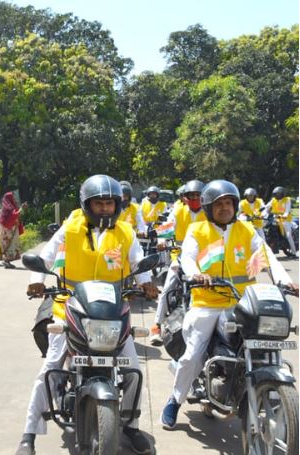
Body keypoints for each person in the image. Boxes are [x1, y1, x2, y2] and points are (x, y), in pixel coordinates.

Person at [16, 175, 157, 455]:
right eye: (99, 204)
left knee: (133, 371)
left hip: (114, 312)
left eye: (109, 203)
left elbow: (139, 262)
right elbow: (46, 255)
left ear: (117, 205)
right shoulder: (71, 227)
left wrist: (147, 282)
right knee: (51, 369)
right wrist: (37, 279)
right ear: (87, 205)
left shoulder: (126, 233)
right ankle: (28, 434)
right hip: (70, 308)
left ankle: (131, 425)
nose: (105, 209)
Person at [161, 180, 296, 429]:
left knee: (266, 339)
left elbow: (266, 256)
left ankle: (270, 388)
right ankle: (175, 400)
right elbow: (188, 258)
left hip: (242, 302)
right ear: (209, 208)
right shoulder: (198, 230)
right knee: (192, 356)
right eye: (219, 204)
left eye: (229, 203)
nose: (225, 208)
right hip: (206, 302)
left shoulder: (246, 230)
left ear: (235, 205)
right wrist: (196, 275)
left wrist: (287, 282)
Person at [149, 179, 206, 345]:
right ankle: (157, 326)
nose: (194, 199)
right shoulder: (178, 210)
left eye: (198, 195)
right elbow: (167, 226)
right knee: (168, 287)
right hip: (179, 256)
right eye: (191, 196)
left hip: (205, 260)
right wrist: (161, 240)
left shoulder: (209, 211)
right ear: (185, 197)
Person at [265, 186, 296, 257]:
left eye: (279, 194)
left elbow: (287, 210)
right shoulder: (273, 200)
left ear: (283, 194)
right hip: (275, 219)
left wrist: (284, 215)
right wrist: (262, 209)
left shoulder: (287, 200)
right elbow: (267, 206)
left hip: (285, 220)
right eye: (276, 194)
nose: (277, 195)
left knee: (288, 236)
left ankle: (294, 252)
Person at [0, 191, 26, 269]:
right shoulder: (7, 208)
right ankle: (6, 261)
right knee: (8, 244)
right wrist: (21, 209)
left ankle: (7, 261)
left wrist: (20, 209)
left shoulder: (10, 207)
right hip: (8, 232)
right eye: (12, 197)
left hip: (11, 230)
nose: (14, 199)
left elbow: (16, 214)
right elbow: (13, 216)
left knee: (11, 244)